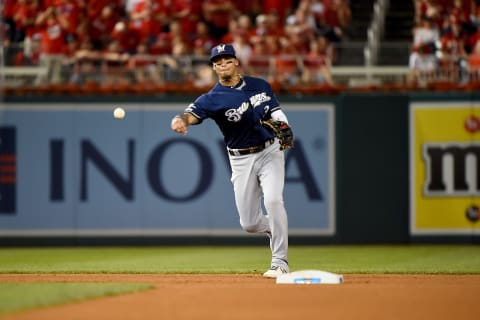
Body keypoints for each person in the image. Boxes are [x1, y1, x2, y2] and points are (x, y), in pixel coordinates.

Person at [170, 43, 291, 278]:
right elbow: (190, 114)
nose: (222, 64)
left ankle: (280, 262)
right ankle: (277, 228)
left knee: (274, 201)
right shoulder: (212, 98)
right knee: (249, 224)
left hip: (270, 151)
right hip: (241, 159)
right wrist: (180, 120)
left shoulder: (260, 85)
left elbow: (275, 112)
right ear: (214, 68)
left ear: (236, 62)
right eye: (217, 62)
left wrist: (284, 124)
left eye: (226, 59)